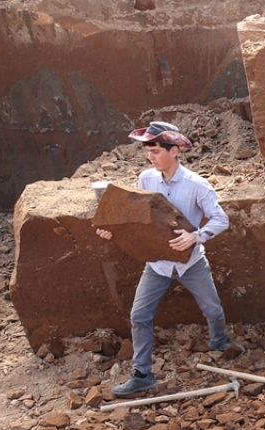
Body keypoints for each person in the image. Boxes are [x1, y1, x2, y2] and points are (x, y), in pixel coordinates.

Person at [96, 121, 241, 396]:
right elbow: (136, 219)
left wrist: (195, 236)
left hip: (191, 262)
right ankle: (142, 375)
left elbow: (221, 219)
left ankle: (220, 341)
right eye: (148, 151)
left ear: (174, 150)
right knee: (139, 316)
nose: (150, 157)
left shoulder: (197, 185)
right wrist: (111, 231)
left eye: (155, 151)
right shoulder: (145, 180)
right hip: (157, 265)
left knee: (213, 310)